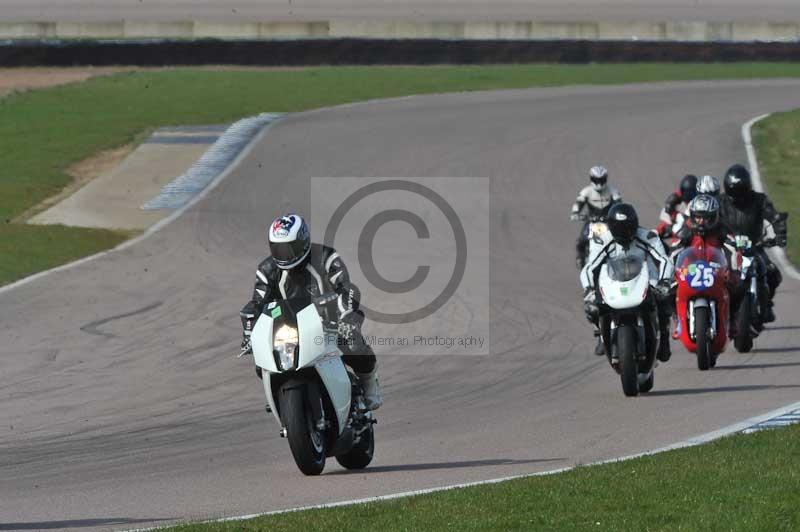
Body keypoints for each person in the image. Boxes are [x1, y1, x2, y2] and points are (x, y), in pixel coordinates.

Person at [239, 213, 383, 410]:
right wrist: (250, 331)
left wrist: (346, 316)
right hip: (288, 326)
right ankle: (281, 399)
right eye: (278, 248)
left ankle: (368, 385)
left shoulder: (326, 257)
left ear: (303, 240)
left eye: (290, 247)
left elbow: (347, 288)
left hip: (329, 322)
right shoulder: (267, 270)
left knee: (352, 344)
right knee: (262, 362)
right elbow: (257, 302)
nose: (285, 254)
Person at [580, 203, 674, 361]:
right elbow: (589, 268)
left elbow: (664, 260)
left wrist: (664, 282)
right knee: (593, 308)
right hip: (614, 279)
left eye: (628, 228)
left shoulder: (648, 236)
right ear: (611, 227)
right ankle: (602, 334)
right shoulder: (602, 241)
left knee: (663, 299)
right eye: (619, 229)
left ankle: (664, 340)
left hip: (645, 277)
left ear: (635, 224)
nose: (625, 233)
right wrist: (589, 290)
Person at [720, 164, 788, 323]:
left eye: (741, 191)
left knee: (773, 274)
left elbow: (775, 217)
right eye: (733, 192)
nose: (738, 197)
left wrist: (780, 233)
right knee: (717, 275)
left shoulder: (759, 200)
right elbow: (708, 219)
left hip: (754, 246)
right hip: (728, 248)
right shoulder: (720, 202)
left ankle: (767, 304)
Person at [570, 166, 622, 269]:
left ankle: (620, 258)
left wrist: (619, 214)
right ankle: (580, 257)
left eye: (601, 180)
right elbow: (578, 203)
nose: (599, 183)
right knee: (582, 239)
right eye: (596, 180)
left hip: (608, 221)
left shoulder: (612, 191)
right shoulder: (587, 191)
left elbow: (619, 204)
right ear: (592, 179)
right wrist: (575, 213)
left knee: (619, 238)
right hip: (591, 221)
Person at [656, 174, 698, 250]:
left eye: (692, 193)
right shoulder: (677, 207)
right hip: (681, 243)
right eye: (687, 193)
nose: (689, 196)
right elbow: (665, 222)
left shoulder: (701, 205)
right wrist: (655, 233)